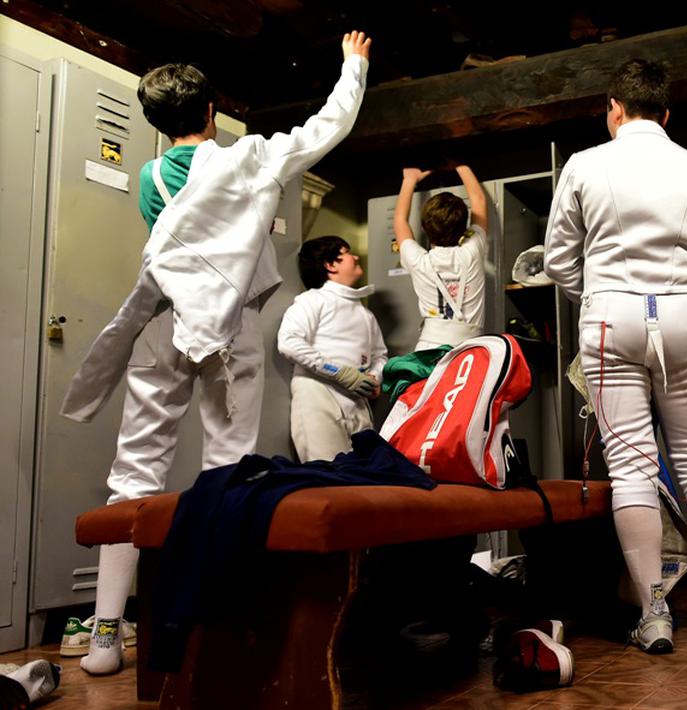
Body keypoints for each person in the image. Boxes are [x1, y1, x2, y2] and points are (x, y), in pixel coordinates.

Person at [60, 31, 373, 675]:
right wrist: (354, 65)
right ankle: (220, 623)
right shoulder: (247, 159)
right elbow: (327, 127)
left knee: (134, 471)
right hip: (231, 329)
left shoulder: (148, 175)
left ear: (155, 121)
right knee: (227, 469)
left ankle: (106, 634)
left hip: (162, 324)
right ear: (209, 113)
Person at [542, 59, 687, 653]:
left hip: (607, 318)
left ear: (614, 107)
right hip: (682, 315)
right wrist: (678, 289)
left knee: (631, 468)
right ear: (666, 112)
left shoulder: (584, 164)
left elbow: (557, 261)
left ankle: (655, 614)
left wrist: (606, 293)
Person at [278, 236, 388, 462]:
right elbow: (289, 342)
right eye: (347, 252)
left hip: (357, 401)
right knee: (326, 476)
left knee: (361, 478)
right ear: (330, 264)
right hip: (317, 395)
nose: (356, 257)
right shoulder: (312, 300)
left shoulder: (364, 314)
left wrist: (374, 377)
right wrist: (339, 372)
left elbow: (380, 355)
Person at [393, 164, 490, 353]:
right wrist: (460, 166)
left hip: (429, 352)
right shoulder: (472, 253)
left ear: (423, 228)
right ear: (465, 229)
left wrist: (409, 180)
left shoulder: (419, 261)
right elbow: (479, 201)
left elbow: (399, 220)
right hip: (471, 351)